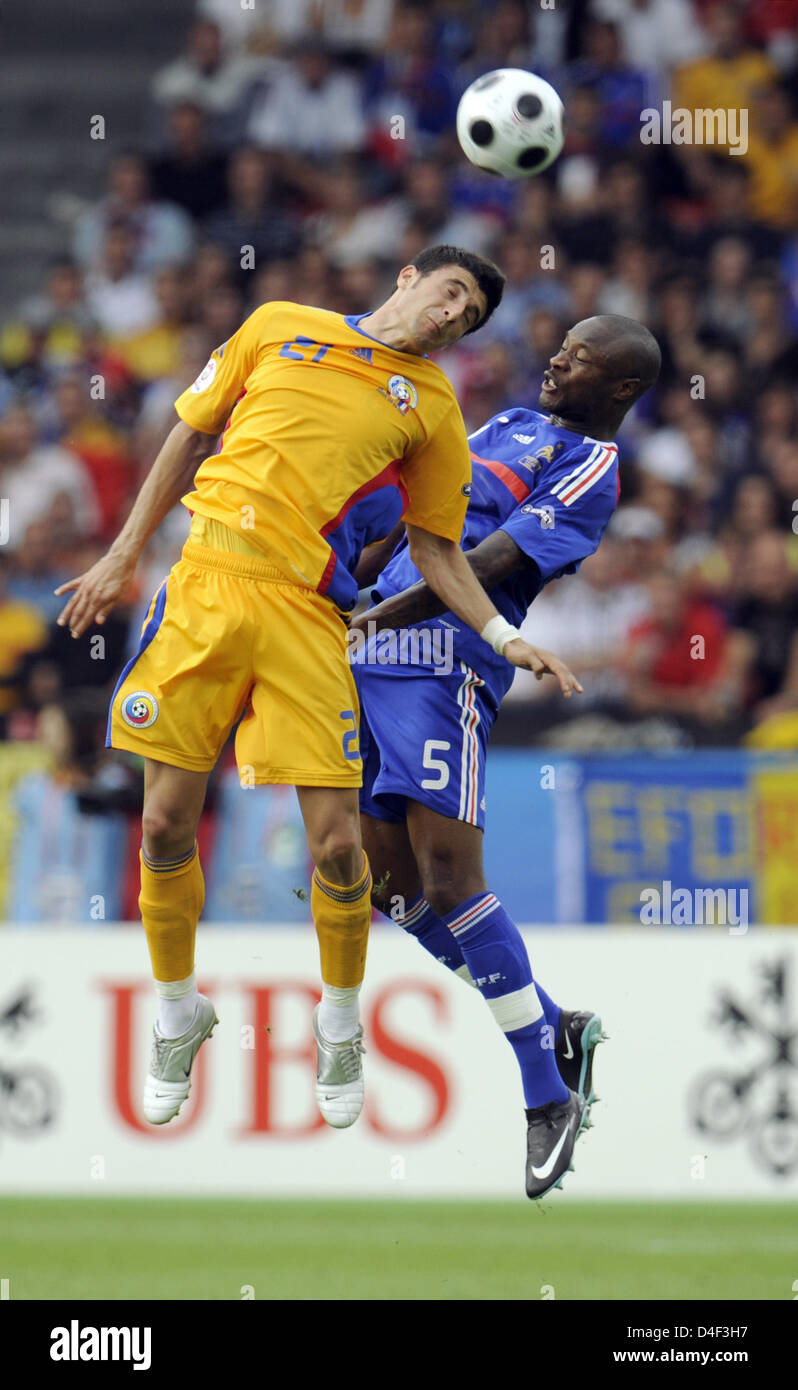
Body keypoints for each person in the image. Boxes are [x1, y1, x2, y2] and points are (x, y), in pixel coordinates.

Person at [54, 245, 578, 1135]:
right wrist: (122, 551)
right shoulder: (280, 326)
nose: (452, 317)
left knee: (341, 851)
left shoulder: (433, 409)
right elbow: (190, 431)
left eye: (470, 318)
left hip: (308, 614)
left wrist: (503, 635)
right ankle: (178, 1013)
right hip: (206, 584)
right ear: (408, 277)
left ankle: (339, 1026)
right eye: (450, 294)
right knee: (164, 825)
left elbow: (442, 549)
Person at [349, 314, 661, 1198]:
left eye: (584, 355)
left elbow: (481, 562)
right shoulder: (503, 426)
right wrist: (343, 583)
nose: (559, 358)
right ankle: (553, 1023)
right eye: (561, 345)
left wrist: (371, 618)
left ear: (623, 387)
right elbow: (416, 517)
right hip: (366, 656)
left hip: (444, 661)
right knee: (390, 888)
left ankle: (544, 1095)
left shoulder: (593, 469)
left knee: (450, 877)